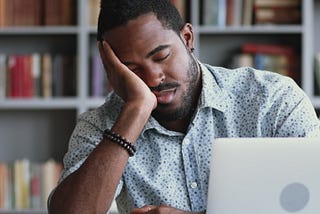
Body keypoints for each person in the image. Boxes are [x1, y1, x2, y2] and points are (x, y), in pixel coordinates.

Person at [48, 0, 320, 213]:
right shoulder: (102, 124)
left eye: (162, 56)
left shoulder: (273, 99)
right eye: (132, 70)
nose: (153, 78)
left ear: (188, 38)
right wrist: (136, 110)